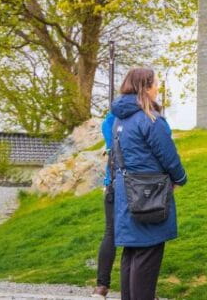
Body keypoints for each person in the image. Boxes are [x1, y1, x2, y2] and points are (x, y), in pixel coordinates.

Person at [112, 68, 188, 300]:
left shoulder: (119, 119)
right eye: (155, 84)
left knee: (132, 253)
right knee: (147, 252)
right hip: (149, 193)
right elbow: (168, 155)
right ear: (144, 87)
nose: (157, 89)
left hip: (126, 191)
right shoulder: (149, 119)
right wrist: (180, 178)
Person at [94, 110, 117, 297]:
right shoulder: (142, 112)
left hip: (112, 182)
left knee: (111, 232)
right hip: (134, 185)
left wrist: (110, 146)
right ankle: (142, 290)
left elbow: (105, 126)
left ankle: (101, 287)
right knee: (138, 236)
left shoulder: (114, 114)